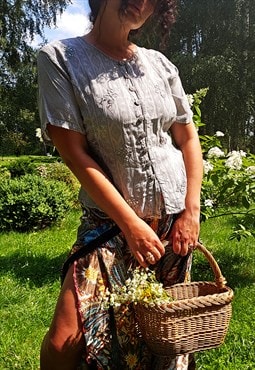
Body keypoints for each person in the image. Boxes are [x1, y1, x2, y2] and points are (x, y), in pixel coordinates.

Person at [37, 0, 203, 369]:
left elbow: (188, 139)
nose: (142, 2)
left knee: (162, 336)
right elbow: (75, 154)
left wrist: (191, 212)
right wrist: (131, 226)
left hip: (172, 228)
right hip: (109, 225)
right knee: (65, 341)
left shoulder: (160, 65)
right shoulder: (60, 58)